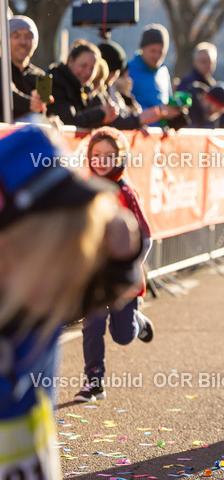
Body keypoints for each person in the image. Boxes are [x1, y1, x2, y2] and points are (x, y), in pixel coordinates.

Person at [0, 124, 144, 480]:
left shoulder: (35, 303)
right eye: (63, 249)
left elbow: (100, 288)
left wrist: (123, 259)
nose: (76, 263)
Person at [75, 127, 155, 402]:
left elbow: (146, 237)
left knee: (122, 336)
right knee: (92, 326)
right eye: (96, 155)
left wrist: (129, 270)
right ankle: (93, 382)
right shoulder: (82, 190)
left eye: (109, 156)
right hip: (95, 278)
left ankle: (137, 323)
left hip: (124, 280)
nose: (101, 160)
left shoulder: (126, 193)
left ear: (120, 158)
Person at [47, 41, 118, 129]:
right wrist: (100, 114)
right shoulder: (55, 82)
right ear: (70, 61)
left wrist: (109, 113)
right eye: (83, 66)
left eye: (92, 68)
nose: (88, 72)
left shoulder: (87, 89)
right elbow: (68, 120)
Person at [125, 24, 173, 118]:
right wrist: (156, 112)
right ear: (142, 48)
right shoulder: (128, 71)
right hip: (138, 130)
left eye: (161, 52)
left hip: (162, 131)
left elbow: (168, 102)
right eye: (153, 51)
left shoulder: (163, 71)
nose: (157, 56)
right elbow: (124, 107)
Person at [7, 15, 48, 118]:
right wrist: (30, 104)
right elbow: (6, 92)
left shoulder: (40, 76)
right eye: (16, 36)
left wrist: (52, 119)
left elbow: (46, 110)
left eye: (28, 37)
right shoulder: (2, 69)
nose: (23, 42)